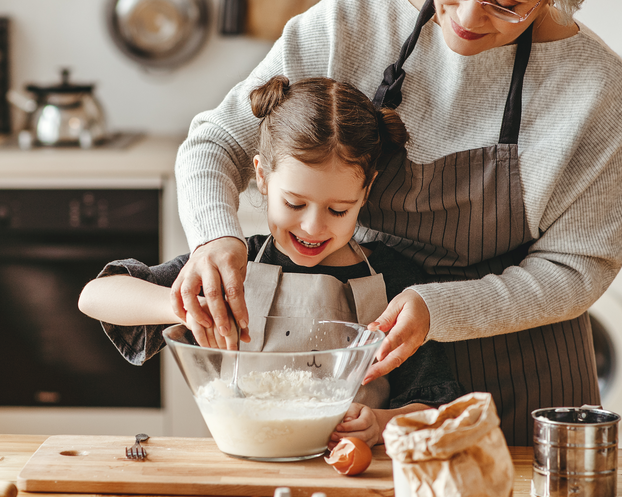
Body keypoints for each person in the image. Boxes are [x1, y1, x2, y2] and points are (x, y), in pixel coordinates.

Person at [168, 0, 622, 446]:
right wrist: (215, 235)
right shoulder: (351, 23)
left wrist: (437, 307)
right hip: (364, 380)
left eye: (508, 4)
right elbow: (218, 140)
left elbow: (579, 268)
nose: (467, 16)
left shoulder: (593, 86)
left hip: (526, 375)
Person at [79, 76, 464, 448]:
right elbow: (95, 296)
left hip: (356, 479)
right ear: (261, 177)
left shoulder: (394, 280)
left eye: (338, 209)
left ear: (367, 191)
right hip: (246, 467)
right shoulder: (231, 269)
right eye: (294, 203)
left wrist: (380, 424)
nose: (313, 227)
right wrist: (183, 306)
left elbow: (437, 406)